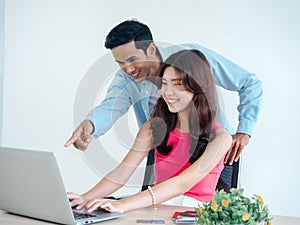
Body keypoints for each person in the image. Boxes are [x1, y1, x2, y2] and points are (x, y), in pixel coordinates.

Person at [64, 19, 262, 165]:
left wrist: (245, 130)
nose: (128, 69)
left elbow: (249, 82)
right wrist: (89, 125)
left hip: (213, 154)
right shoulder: (125, 79)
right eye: (120, 63)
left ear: (150, 49)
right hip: (164, 160)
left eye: (132, 60)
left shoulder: (192, 58)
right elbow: (110, 106)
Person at [68, 50, 232, 213]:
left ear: (198, 88)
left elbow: (181, 184)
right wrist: (85, 198)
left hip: (194, 214)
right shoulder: (153, 127)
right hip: (158, 209)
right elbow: (121, 173)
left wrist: (123, 204)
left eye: (176, 84)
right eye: (165, 84)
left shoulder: (221, 137)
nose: (168, 93)